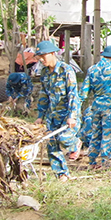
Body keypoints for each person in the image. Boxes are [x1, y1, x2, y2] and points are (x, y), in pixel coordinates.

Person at [34, 40, 81, 182]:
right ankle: (62, 174)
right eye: (39, 57)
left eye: (44, 56)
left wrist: (72, 116)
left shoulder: (66, 70)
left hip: (67, 115)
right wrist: (40, 116)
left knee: (64, 139)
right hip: (52, 115)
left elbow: (73, 94)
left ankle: (76, 143)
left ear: (53, 53)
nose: (42, 60)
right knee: (51, 143)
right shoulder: (44, 73)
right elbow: (44, 95)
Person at [80, 45, 111, 170]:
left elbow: (84, 92)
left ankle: (92, 161)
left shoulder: (92, 69)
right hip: (110, 107)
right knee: (108, 134)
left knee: (96, 133)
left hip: (96, 106)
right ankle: (106, 162)